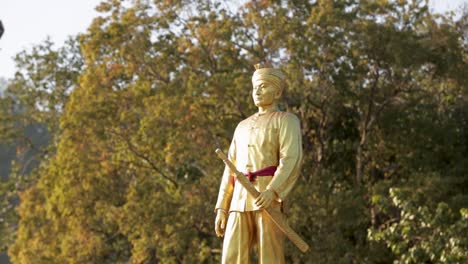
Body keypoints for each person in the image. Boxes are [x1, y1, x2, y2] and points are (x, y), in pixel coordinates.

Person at [214, 64, 303, 263]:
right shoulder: (241, 126)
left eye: (263, 86)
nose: (257, 91)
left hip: (267, 199)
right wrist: (222, 207)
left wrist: (273, 190)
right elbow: (229, 170)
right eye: (255, 87)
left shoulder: (286, 120)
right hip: (238, 200)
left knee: (269, 256)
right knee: (231, 257)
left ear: (277, 91)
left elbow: (291, 159)